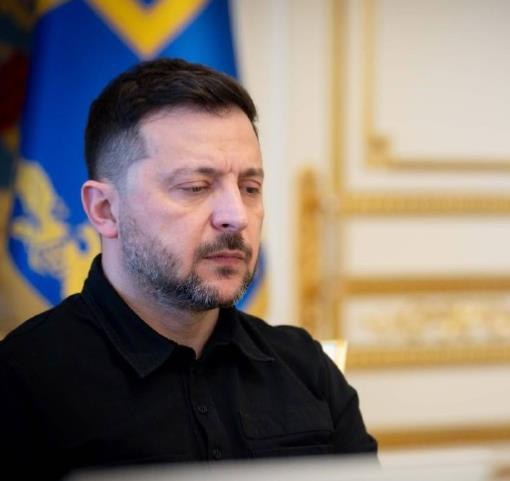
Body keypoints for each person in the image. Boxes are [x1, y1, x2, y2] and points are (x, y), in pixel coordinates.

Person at [0, 58, 377, 480]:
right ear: (105, 209)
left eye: (250, 188)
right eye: (196, 187)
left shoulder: (305, 367)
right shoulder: (22, 381)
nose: (236, 216)